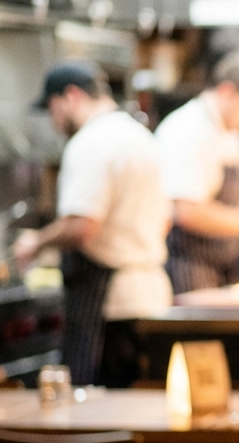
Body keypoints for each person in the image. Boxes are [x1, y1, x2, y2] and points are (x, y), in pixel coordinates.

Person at [14, 62, 171, 387]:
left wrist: (36, 242)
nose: (54, 123)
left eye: (52, 109)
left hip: (110, 308)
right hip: (151, 296)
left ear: (71, 96)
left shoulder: (90, 143)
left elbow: (81, 225)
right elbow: (166, 219)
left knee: (100, 418)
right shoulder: (141, 136)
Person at [157, 55, 239, 294]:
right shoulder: (188, 129)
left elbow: (233, 201)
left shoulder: (230, 132)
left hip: (222, 267)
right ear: (226, 92)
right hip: (188, 268)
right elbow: (186, 212)